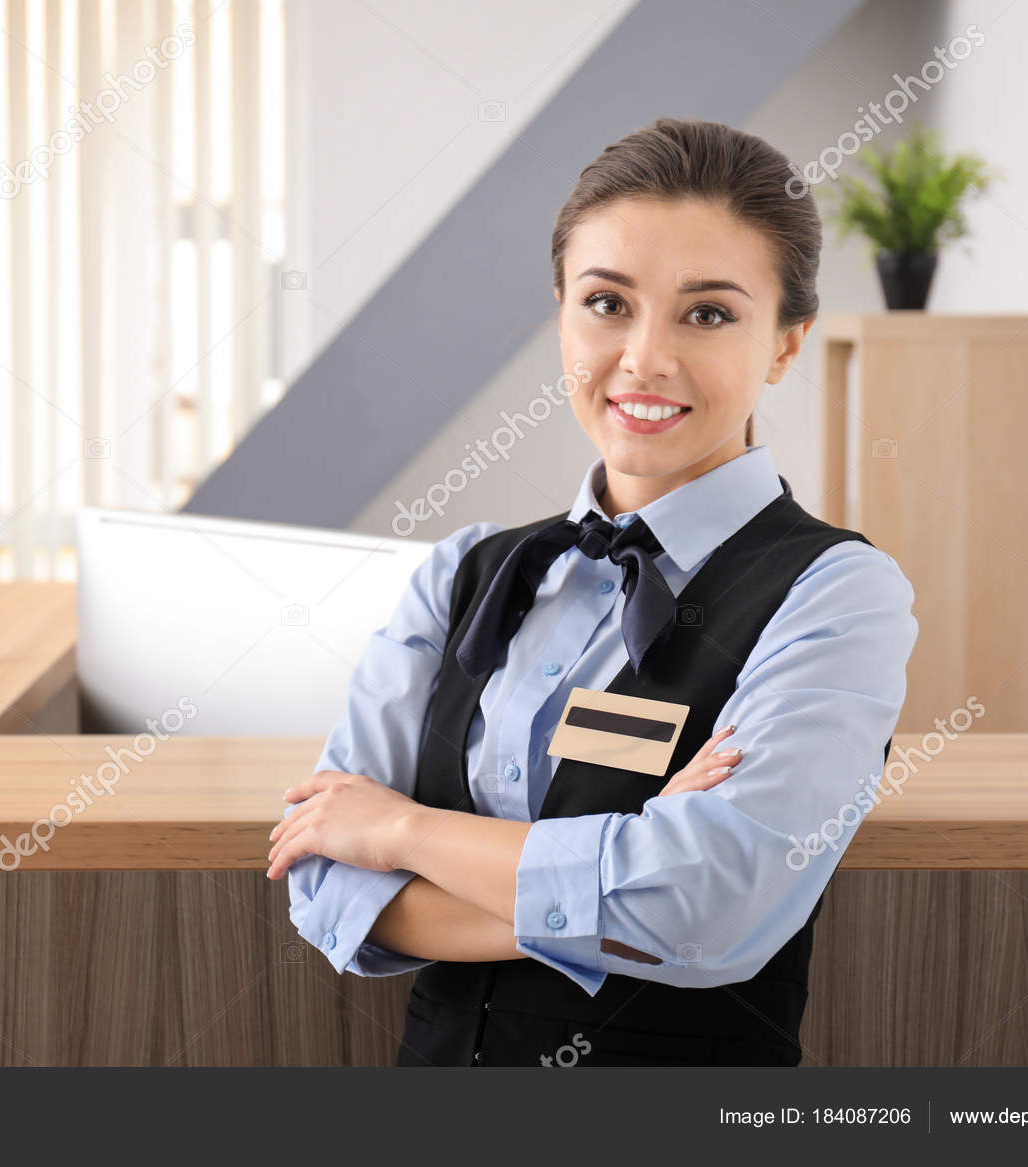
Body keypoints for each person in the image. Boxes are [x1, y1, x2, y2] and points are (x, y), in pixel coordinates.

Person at [267, 117, 919, 1068]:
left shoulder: (837, 595)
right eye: (607, 302)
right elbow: (323, 881)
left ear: (785, 344)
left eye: (707, 313)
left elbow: (705, 908)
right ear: (562, 318)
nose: (645, 358)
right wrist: (625, 867)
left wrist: (403, 829)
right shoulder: (463, 574)